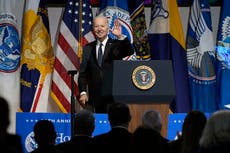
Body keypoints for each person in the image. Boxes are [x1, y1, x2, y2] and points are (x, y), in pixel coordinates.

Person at [78, 16, 134, 113]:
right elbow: (83, 73)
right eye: (96, 26)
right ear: (93, 28)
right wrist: (83, 92)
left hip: (113, 98)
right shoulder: (88, 48)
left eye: (102, 26)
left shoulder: (116, 44)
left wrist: (120, 36)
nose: (99, 29)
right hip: (94, 100)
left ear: (108, 28)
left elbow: (129, 51)